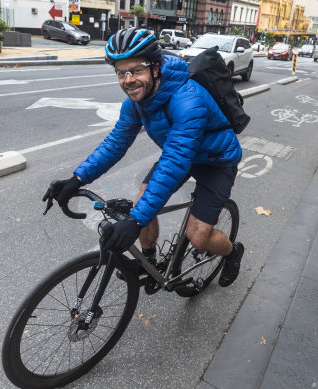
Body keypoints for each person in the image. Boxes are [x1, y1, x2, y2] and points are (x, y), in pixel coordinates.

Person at [49, 28, 245, 287]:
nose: (128, 80)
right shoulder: (136, 102)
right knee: (143, 200)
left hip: (216, 160)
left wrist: (136, 221)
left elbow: (175, 161)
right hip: (182, 153)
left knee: (198, 236)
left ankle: (233, 253)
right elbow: (116, 143)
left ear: (156, 68)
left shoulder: (188, 100)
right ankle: (150, 260)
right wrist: (77, 178)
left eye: (136, 70)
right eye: (121, 72)